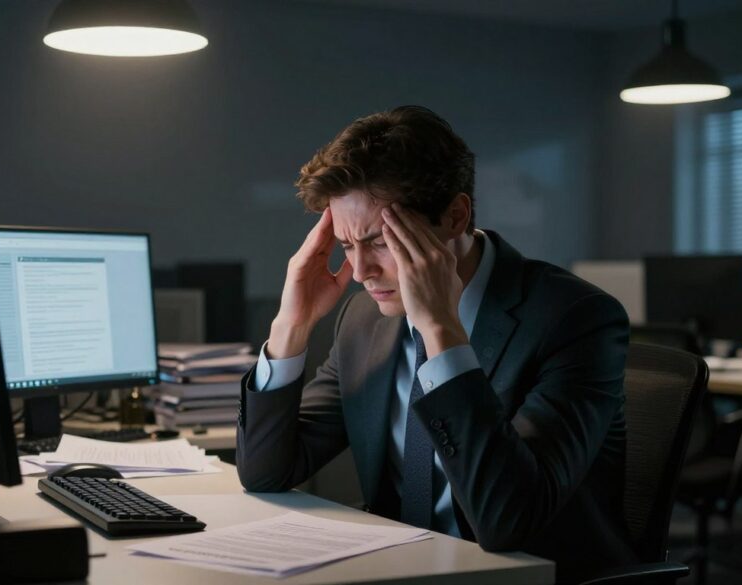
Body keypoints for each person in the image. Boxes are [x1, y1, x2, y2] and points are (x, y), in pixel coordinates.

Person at [235, 105, 638, 583]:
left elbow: (508, 520)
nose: (360, 272)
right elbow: (266, 473)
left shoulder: (575, 320)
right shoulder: (365, 319)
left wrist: (442, 334)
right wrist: (291, 326)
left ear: (454, 216)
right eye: (346, 245)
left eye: (379, 242)